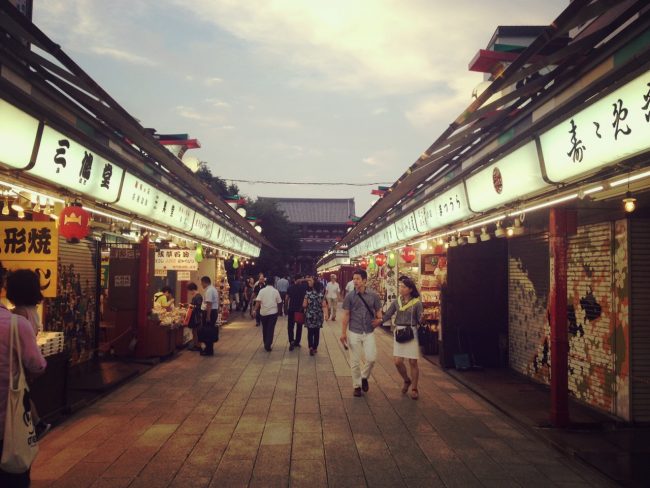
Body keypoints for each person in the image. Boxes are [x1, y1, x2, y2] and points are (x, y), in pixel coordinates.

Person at [0, 265, 47, 487]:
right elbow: (37, 365)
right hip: (8, 419)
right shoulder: (16, 322)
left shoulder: (17, 316)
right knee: (13, 476)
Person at [5, 269, 51, 440]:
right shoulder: (33, 310)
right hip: (27, 357)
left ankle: (36, 424)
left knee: (19, 396)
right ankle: (37, 423)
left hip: (18, 361)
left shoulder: (18, 314)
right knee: (24, 395)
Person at [340, 269, 383, 397]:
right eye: (354, 279)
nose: (355, 281)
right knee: (354, 361)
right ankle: (357, 386)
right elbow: (346, 314)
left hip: (369, 331)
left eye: (358, 279)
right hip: (354, 331)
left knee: (371, 358)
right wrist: (343, 333)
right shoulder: (350, 296)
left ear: (364, 280)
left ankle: (364, 377)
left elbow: (378, 311)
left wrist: (379, 320)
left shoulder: (373, 295)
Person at [381, 277, 423, 399]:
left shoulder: (417, 302)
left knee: (413, 362)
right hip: (399, 332)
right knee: (398, 362)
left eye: (403, 287)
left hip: (411, 331)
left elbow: (420, 318)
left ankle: (414, 388)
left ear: (410, 289)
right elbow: (388, 314)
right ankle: (406, 380)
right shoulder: (396, 301)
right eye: (400, 286)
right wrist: (379, 321)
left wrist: (422, 319)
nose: (401, 288)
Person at [254, 280, 282, 351]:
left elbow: (258, 301)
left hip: (263, 313)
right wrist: (279, 311)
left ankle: (265, 342)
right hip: (273, 313)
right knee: (271, 329)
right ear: (273, 283)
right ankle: (268, 344)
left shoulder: (262, 291)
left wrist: (254, 310)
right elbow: (279, 302)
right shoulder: (275, 291)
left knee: (265, 328)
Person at [303, 277, 328, 356]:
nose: (308, 282)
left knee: (310, 332)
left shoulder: (308, 294)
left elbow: (304, 305)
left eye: (310, 281)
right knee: (317, 332)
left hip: (309, 315)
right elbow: (324, 306)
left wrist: (305, 306)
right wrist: (326, 315)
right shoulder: (321, 294)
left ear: (313, 283)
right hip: (318, 316)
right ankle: (315, 348)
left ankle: (310, 347)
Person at [286, 275, 307, 351]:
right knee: (299, 326)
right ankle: (297, 342)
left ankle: (291, 341)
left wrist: (285, 308)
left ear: (294, 279)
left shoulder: (290, 287)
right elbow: (311, 280)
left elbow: (286, 298)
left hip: (291, 309)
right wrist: (303, 279)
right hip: (300, 310)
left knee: (290, 327)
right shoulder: (304, 287)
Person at [200, 276, 219, 356]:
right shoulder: (212, 289)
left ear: (205, 282)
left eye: (201, 283)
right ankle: (208, 349)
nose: (201, 284)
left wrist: (208, 316)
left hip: (210, 312)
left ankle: (209, 350)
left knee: (208, 332)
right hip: (212, 311)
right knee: (209, 331)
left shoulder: (209, 290)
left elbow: (209, 304)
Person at [186, 282, 203, 351]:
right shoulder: (196, 296)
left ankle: (198, 346)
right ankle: (196, 345)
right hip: (195, 316)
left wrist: (191, 306)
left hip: (196, 317)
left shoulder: (198, 297)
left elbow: (199, 307)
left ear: (192, 290)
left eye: (189, 291)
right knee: (194, 331)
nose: (189, 292)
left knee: (196, 331)